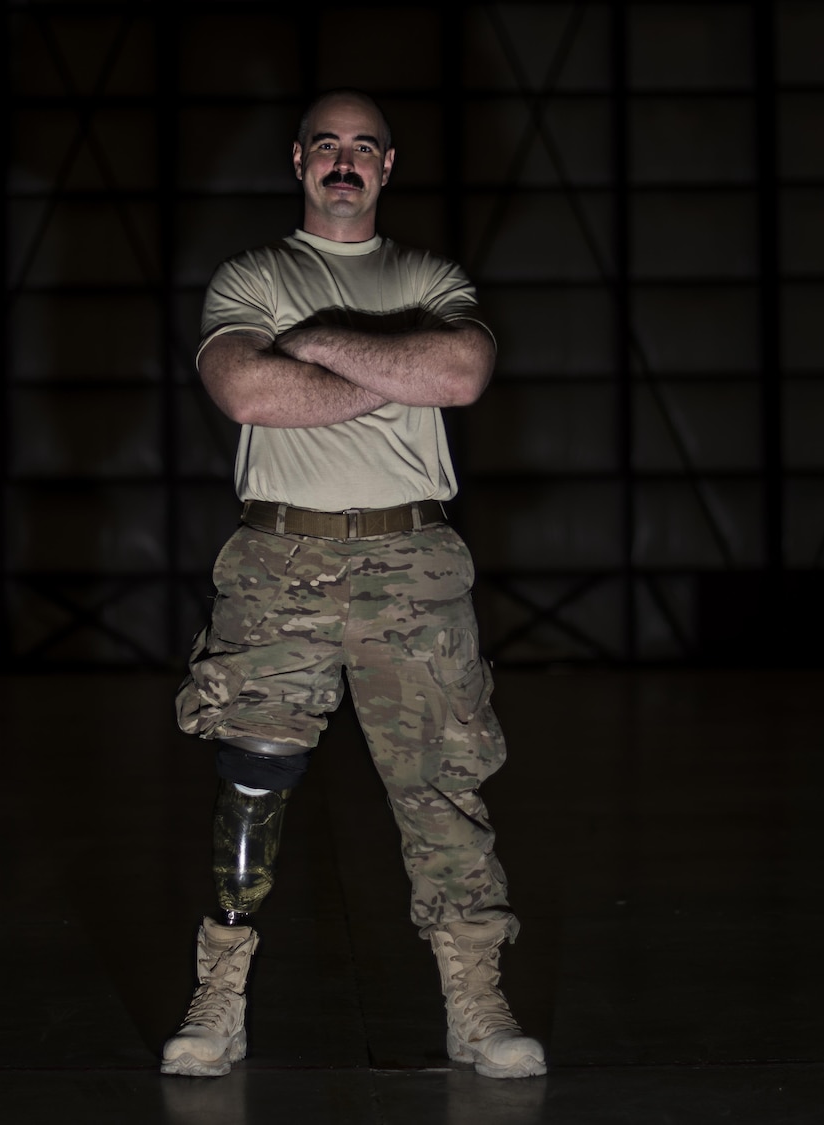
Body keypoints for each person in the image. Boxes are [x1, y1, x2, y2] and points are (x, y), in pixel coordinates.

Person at [159, 89, 546, 1081]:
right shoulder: (251, 276)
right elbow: (247, 390)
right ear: (296, 160)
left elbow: (459, 374)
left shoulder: (429, 274)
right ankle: (218, 998)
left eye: (362, 147)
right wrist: (396, 365)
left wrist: (321, 341)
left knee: (440, 793)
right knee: (251, 787)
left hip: (409, 567)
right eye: (325, 145)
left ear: (386, 166)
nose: (343, 160)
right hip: (277, 567)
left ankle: (475, 1005)